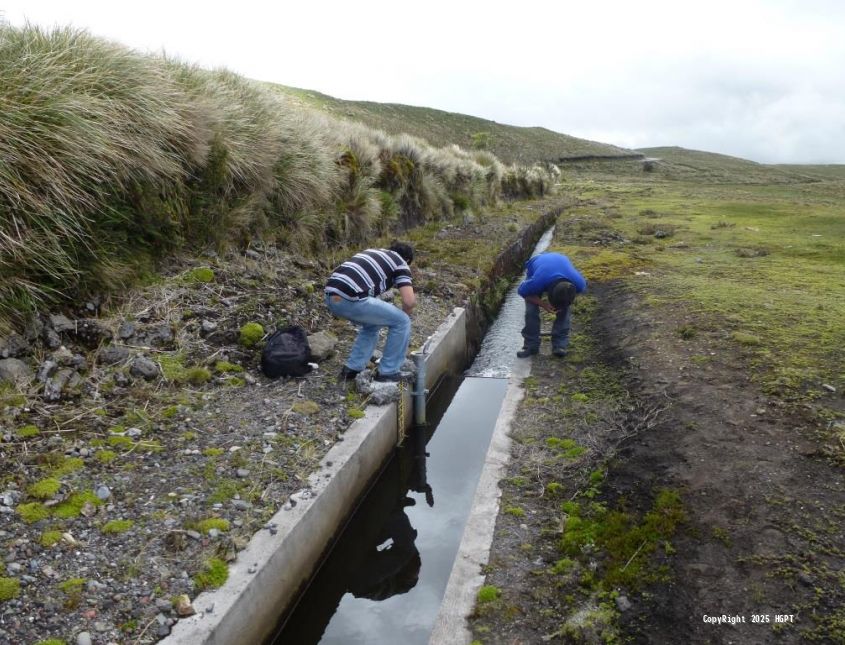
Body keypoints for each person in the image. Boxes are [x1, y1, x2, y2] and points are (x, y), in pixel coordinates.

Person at [325, 243, 416, 382]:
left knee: (372, 324)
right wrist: (405, 317)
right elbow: (409, 302)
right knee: (402, 321)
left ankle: (352, 369)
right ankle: (388, 372)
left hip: (331, 297)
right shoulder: (401, 263)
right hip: (351, 298)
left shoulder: (372, 252)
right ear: (408, 260)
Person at [516, 251, 587, 358]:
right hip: (538, 264)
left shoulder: (579, 284)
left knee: (565, 309)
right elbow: (522, 292)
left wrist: (564, 303)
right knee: (531, 310)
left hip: (559, 261)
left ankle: (559, 345)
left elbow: (568, 298)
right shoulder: (536, 282)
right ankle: (531, 345)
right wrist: (543, 304)